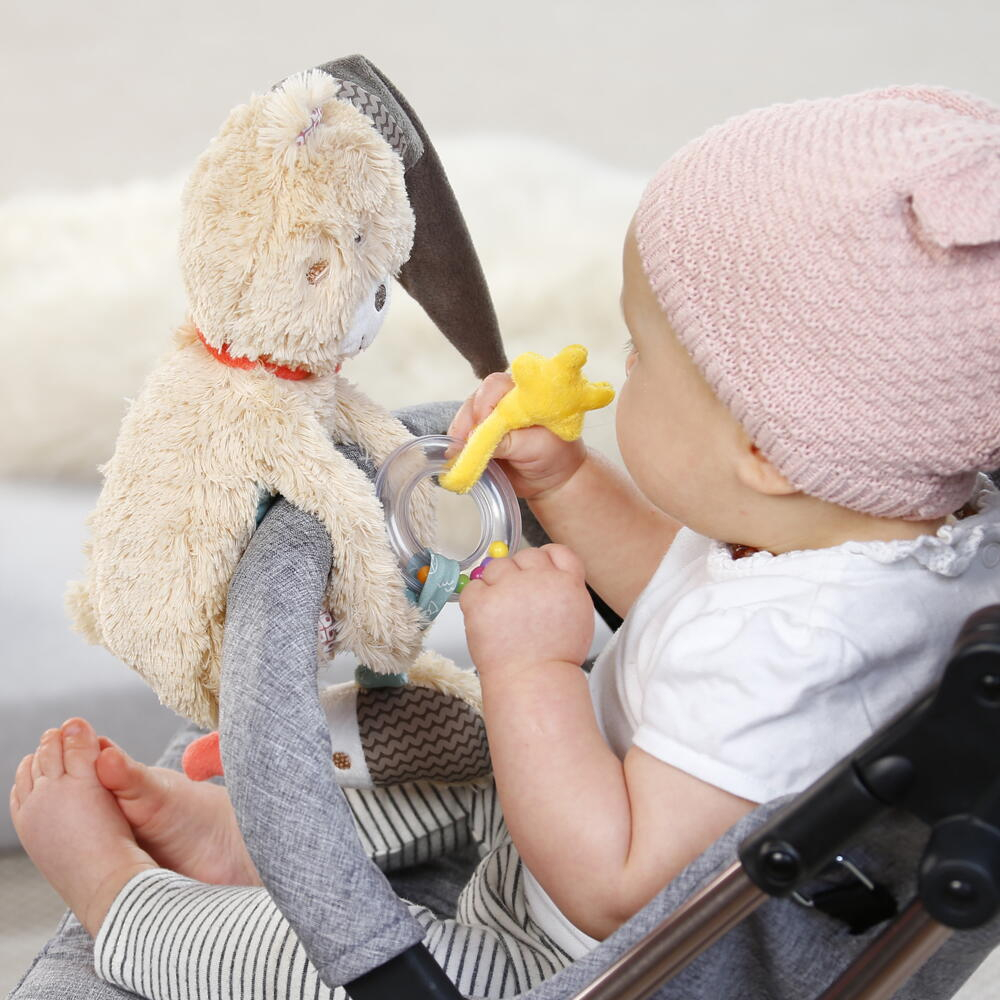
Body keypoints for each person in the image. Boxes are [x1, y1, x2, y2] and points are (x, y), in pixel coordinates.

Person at [10, 84, 1000, 1000]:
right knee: (468, 778)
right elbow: (679, 592)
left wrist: (531, 666)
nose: (620, 368)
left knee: (316, 961)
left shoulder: (797, 660)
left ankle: (125, 903)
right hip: (575, 819)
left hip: (573, 959)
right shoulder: (869, 541)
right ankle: (244, 843)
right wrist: (567, 482)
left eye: (640, 353)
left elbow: (614, 885)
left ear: (764, 452)